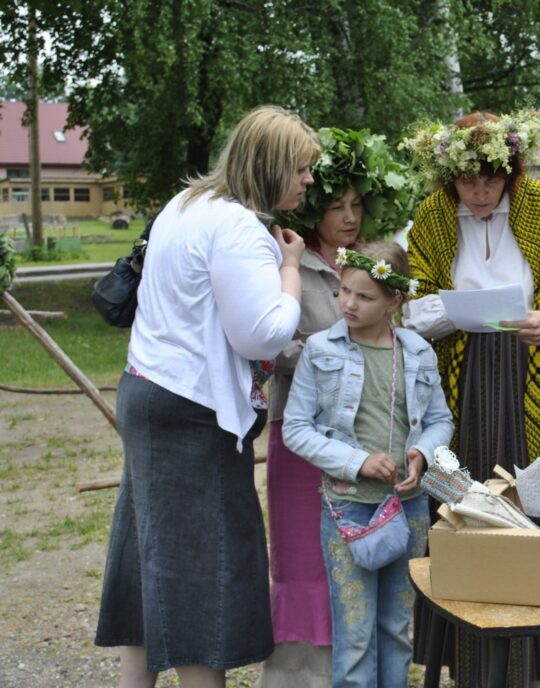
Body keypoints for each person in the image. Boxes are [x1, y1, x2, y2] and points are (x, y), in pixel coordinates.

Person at [94, 105, 319, 688]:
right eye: (302, 168)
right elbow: (262, 332)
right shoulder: (239, 227)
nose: (309, 180)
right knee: (204, 569)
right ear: (270, 167)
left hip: (148, 392)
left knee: (149, 560)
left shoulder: (186, 204)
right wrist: (290, 270)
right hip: (192, 412)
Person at [401, 110, 540, 687]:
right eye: (469, 180)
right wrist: (455, 313)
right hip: (462, 386)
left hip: (536, 376)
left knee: (539, 509)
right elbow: (410, 309)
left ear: (511, 170)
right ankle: (472, 665)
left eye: (492, 178)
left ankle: (539, 665)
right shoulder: (434, 218)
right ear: (450, 177)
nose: (480, 191)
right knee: (464, 510)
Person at [259, 128, 414, 687]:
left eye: (356, 205)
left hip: (363, 437)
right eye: (335, 206)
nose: (349, 216)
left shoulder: (370, 263)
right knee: (302, 560)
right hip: (300, 433)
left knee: (360, 559)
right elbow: (271, 346)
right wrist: (338, 351)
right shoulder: (288, 263)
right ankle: (299, 678)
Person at [282, 241, 454, 688]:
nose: (349, 304)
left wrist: (423, 454)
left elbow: (439, 420)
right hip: (349, 510)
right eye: (344, 291)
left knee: (396, 630)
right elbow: (296, 428)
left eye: (365, 296)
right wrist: (357, 462)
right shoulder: (321, 350)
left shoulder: (417, 352)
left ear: (396, 301)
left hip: (408, 510)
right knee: (355, 633)